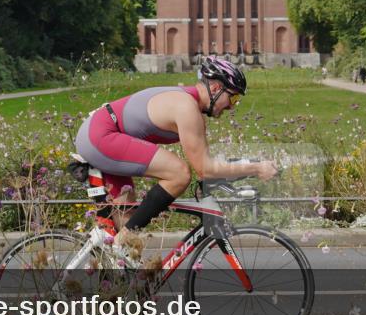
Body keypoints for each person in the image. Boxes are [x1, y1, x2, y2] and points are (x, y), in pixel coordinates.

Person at [74, 57, 277, 232]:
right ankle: (120, 243)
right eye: (232, 97)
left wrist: (246, 166)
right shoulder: (186, 108)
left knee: (128, 235)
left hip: (101, 135)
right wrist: (256, 168)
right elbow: (204, 169)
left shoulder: (189, 104)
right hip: (102, 135)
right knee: (179, 172)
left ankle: (111, 260)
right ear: (215, 88)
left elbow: (208, 162)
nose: (232, 106)